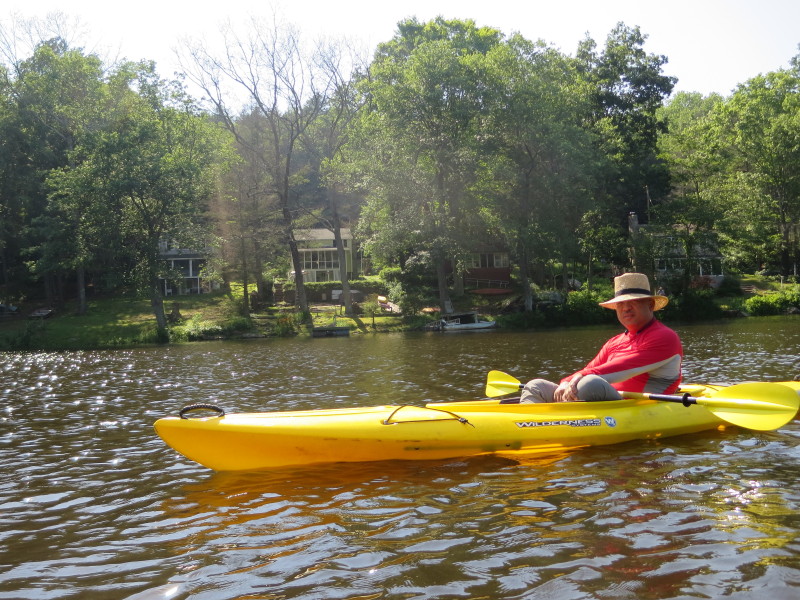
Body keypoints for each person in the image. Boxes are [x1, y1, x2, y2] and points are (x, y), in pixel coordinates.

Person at [520, 272, 683, 403]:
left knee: (589, 383)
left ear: (650, 305)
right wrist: (565, 382)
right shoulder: (614, 342)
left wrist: (577, 379)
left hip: (639, 408)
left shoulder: (665, 337)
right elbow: (589, 369)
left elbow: (620, 369)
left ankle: (562, 423)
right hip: (606, 401)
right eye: (620, 303)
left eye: (633, 302)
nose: (626, 308)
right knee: (535, 386)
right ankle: (527, 424)